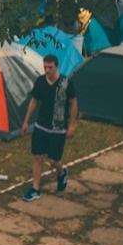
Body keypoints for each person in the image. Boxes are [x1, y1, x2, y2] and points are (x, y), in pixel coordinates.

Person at [20, 55, 78, 201]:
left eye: (50, 67)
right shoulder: (40, 81)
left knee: (53, 160)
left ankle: (61, 172)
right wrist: (26, 121)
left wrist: (71, 125)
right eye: (45, 67)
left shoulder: (66, 83)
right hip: (41, 126)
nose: (47, 70)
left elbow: (73, 104)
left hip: (58, 128)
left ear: (56, 66)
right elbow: (34, 101)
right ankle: (35, 188)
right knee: (38, 156)